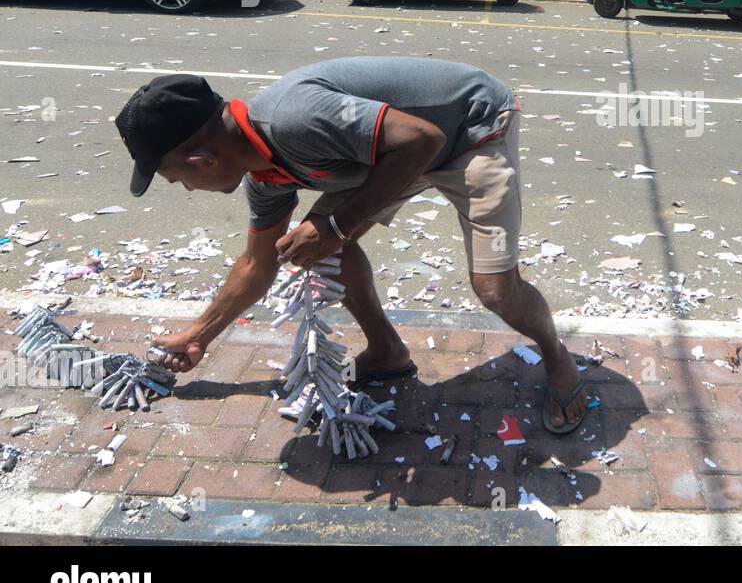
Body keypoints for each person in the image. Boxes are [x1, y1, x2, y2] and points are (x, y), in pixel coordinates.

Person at [114, 57, 593, 435]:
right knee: (319, 248)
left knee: (495, 289)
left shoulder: (294, 120)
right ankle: (387, 351)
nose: (186, 188)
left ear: (202, 158)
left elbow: (423, 138)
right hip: (399, 150)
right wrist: (199, 335)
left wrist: (336, 225)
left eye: (176, 178)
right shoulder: (263, 176)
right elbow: (257, 264)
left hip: (471, 127)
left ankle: (557, 358)